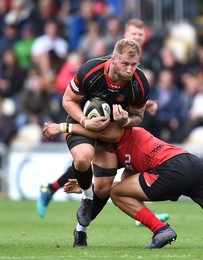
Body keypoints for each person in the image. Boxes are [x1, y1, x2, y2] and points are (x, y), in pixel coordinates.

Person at [43, 121, 203, 249]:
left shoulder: (119, 132)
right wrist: (83, 186)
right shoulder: (122, 153)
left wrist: (61, 126)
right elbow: (117, 181)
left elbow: (95, 132)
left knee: (116, 193)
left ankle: (161, 230)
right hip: (190, 163)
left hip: (171, 170)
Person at [37, 19, 167, 225]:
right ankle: (83, 196)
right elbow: (67, 99)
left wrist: (126, 120)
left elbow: (137, 116)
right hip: (84, 122)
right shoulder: (91, 70)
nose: (129, 68)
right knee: (83, 159)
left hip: (112, 129)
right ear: (114, 57)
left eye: (141, 36)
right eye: (125, 63)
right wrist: (83, 121)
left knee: (106, 186)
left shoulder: (140, 81)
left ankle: (84, 226)